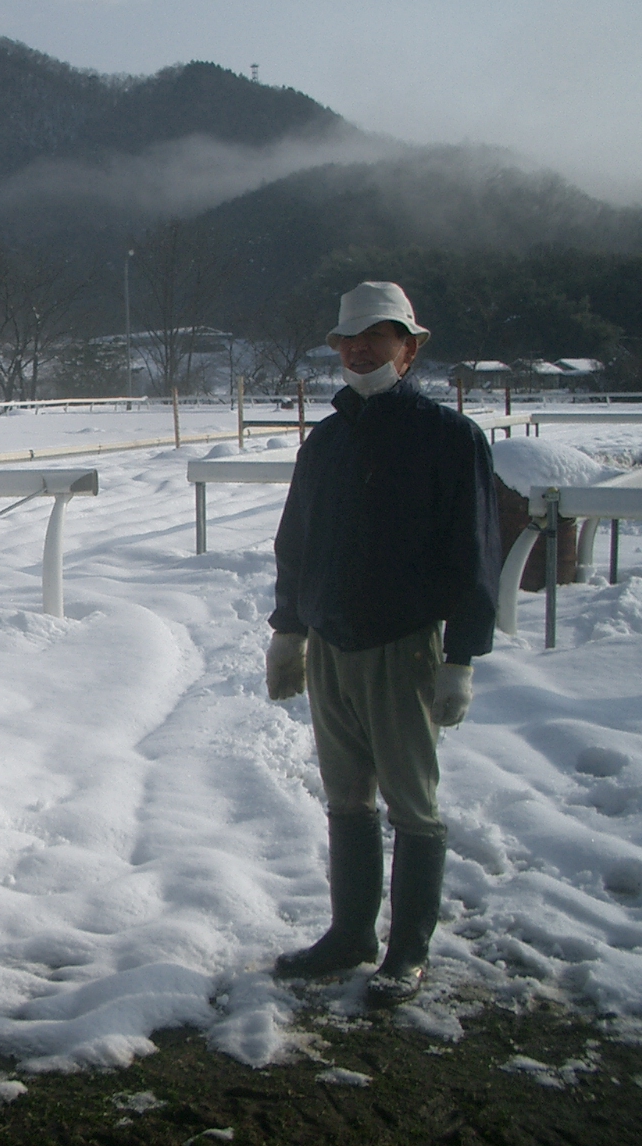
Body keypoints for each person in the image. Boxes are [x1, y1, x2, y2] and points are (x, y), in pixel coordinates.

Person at [267, 281, 500, 1007]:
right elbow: (296, 543)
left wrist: (460, 658)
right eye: (349, 338)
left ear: (410, 347)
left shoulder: (448, 438)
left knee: (412, 804)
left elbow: (473, 555)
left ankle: (408, 952)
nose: (360, 349)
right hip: (330, 642)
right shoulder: (327, 441)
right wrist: (288, 631)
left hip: (402, 645)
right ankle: (350, 935)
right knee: (347, 799)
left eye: (378, 335)